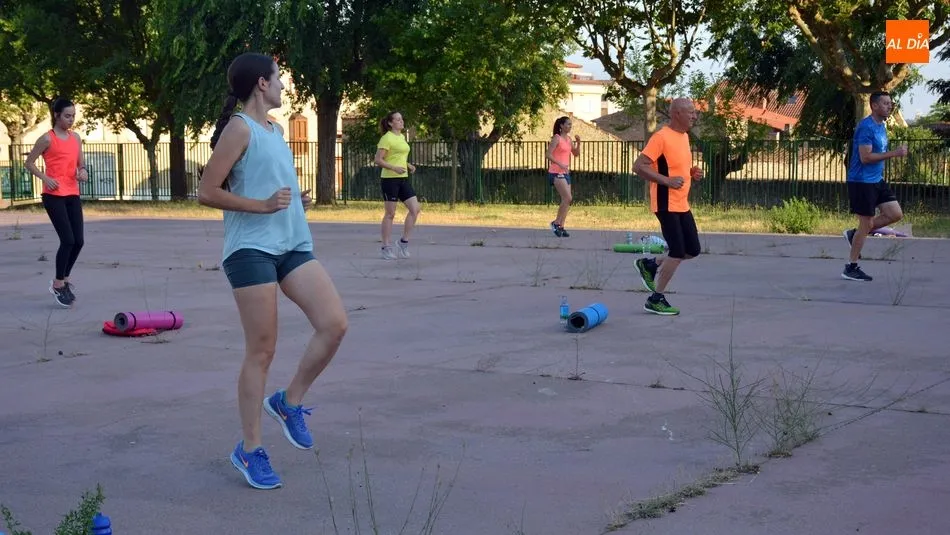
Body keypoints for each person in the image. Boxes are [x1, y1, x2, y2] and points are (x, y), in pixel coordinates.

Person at [197, 52, 348, 490]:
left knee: (334, 324)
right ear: (261, 84)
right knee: (262, 350)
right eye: (279, 78)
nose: (284, 85)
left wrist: (287, 197)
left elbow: (265, 181)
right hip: (250, 250)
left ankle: (288, 401)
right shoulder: (239, 128)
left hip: (293, 244)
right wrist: (261, 206)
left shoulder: (275, 130)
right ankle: (250, 449)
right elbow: (206, 192)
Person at [633, 98, 703, 316]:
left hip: (682, 203)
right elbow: (639, 166)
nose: (694, 116)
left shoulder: (683, 137)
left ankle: (651, 265)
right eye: (690, 112)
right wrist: (667, 181)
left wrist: (691, 173)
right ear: (677, 114)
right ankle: (656, 298)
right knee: (677, 251)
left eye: (694, 112)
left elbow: (675, 166)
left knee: (692, 250)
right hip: (665, 203)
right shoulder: (661, 137)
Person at [25, 97, 88, 308]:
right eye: (67, 116)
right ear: (57, 115)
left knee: (79, 241)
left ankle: (65, 280)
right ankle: (58, 283)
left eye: (73, 116)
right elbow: (29, 162)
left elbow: (81, 164)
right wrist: (45, 178)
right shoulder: (46, 139)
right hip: (53, 195)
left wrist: (83, 172)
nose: (71, 120)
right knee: (68, 240)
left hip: (72, 193)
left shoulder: (76, 138)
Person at [842, 91, 908, 282]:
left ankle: (854, 235)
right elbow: (865, 157)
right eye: (886, 103)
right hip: (861, 181)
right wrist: (894, 154)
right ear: (874, 106)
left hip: (876, 180)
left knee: (895, 214)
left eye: (890, 103)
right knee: (866, 225)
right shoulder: (866, 127)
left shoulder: (881, 127)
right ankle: (851, 267)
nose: (890, 106)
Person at [374, 111, 420, 260]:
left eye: (402, 119)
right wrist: (394, 168)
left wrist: (407, 165)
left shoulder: (401, 137)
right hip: (390, 179)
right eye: (398, 119)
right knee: (390, 214)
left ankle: (403, 242)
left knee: (415, 209)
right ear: (390, 123)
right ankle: (385, 247)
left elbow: (396, 157)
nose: (401, 121)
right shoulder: (386, 138)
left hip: (403, 178)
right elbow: (378, 160)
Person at [545, 116, 581, 237]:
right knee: (568, 198)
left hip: (565, 173)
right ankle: (555, 223)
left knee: (566, 200)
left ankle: (561, 226)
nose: (570, 127)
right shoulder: (557, 138)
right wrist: (560, 163)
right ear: (561, 126)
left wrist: (578, 143)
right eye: (568, 124)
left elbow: (576, 154)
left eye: (571, 125)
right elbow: (548, 155)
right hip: (556, 172)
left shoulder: (569, 140)